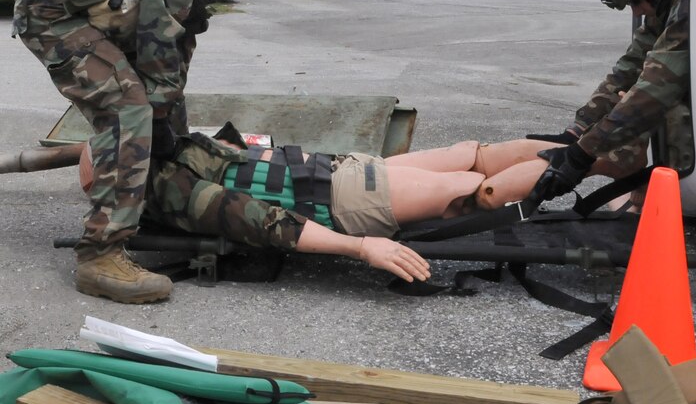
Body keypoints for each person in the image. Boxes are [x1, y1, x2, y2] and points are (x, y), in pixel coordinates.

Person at [11, 0, 301, 305]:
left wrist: (170, 110)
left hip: (101, 14)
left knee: (164, 111)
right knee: (129, 107)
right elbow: (158, 35)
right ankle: (100, 255)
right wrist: (157, 108)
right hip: (53, 15)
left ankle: (148, 204)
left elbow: (181, 33)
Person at [77, 127, 623, 284]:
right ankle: (607, 157)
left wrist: (361, 246)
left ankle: (591, 158)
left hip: (342, 197)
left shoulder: (169, 191)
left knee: (470, 195)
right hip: (331, 166)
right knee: (471, 156)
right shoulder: (181, 145)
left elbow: (272, 225)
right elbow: (251, 145)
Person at [527, 0, 694, 203]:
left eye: (636, 3)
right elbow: (629, 67)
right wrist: (577, 130)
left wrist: (582, 155)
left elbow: (655, 88)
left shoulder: (691, 2)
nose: (638, 12)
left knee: (666, 113)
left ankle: (680, 196)